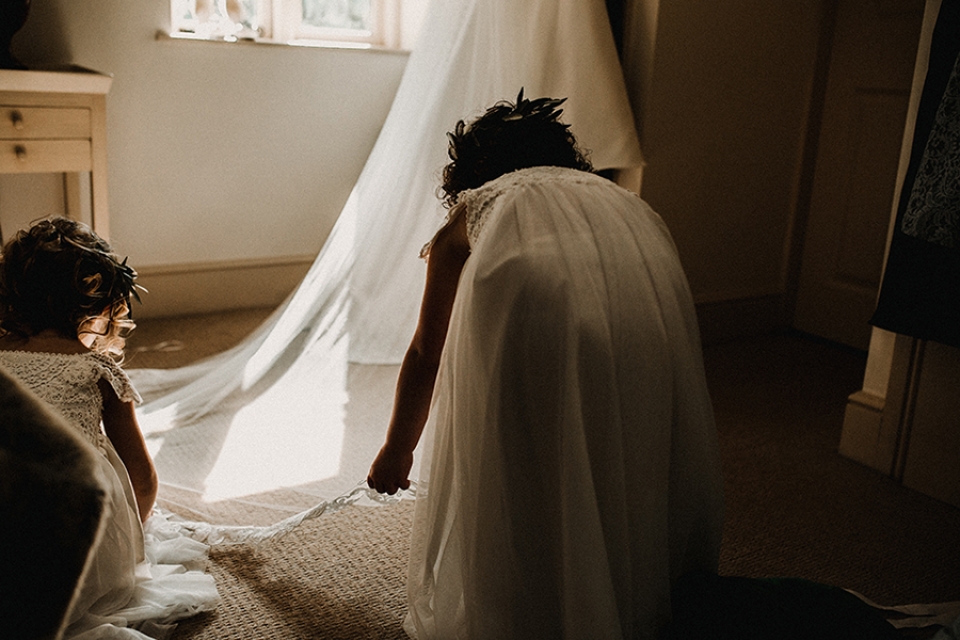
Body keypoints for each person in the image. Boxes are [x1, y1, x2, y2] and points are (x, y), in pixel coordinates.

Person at [368, 91, 725, 639]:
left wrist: (398, 449)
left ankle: (538, 604)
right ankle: (627, 583)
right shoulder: (620, 199)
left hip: (541, 335)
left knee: (528, 468)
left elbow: (426, 352)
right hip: (647, 338)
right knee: (619, 454)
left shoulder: (480, 204)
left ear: (471, 173)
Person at [0, 217, 219, 639]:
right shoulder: (95, 369)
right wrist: (132, 536)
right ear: (101, 303)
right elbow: (143, 477)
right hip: (77, 548)